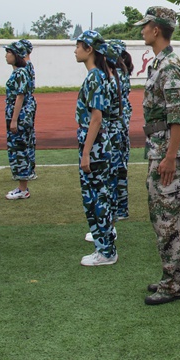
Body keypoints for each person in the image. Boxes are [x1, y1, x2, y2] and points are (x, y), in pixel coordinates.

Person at [137, 7, 180, 306]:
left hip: (167, 152)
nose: (142, 30)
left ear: (156, 29)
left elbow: (178, 116)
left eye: (145, 26)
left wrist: (170, 157)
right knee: (165, 218)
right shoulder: (160, 62)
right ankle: (172, 276)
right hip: (159, 149)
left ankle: (174, 284)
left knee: (168, 220)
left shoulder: (169, 65)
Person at [74, 31, 121, 266]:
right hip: (99, 146)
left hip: (95, 147)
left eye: (78, 46)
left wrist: (85, 153)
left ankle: (105, 251)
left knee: (96, 198)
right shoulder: (101, 76)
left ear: (89, 49)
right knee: (98, 196)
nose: (75, 50)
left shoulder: (95, 77)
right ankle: (104, 245)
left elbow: (96, 118)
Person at [4, 41, 37, 197]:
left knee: (19, 148)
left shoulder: (20, 73)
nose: (6, 55)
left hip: (20, 116)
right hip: (21, 115)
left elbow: (20, 96)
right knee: (19, 147)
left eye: (9, 52)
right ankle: (22, 186)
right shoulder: (20, 72)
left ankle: (23, 188)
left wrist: (14, 119)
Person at [108, 39, 133, 221]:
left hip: (114, 127)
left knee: (114, 168)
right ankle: (121, 208)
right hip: (121, 125)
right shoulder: (122, 73)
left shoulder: (114, 75)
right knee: (120, 167)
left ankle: (117, 208)